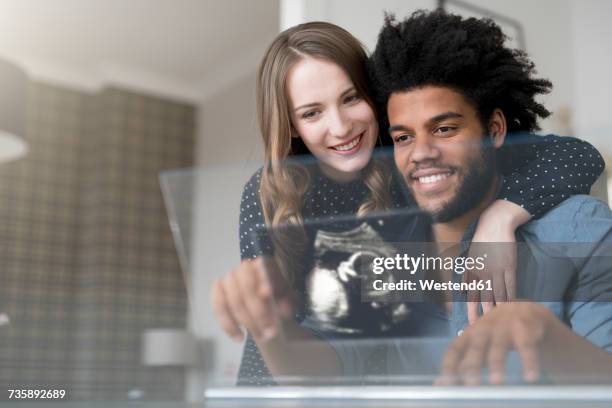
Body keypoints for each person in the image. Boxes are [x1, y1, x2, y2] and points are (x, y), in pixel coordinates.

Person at [210, 21, 606, 386]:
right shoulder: (272, 191)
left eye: (350, 99)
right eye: (312, 113)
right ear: (292, 124)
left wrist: (500, 216)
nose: (341, 126)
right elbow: (306, 336)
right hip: (287, 372)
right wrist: (265, 322)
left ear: (373, 98)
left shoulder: (403, 173)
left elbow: (577, 155)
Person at [367, 9, 612, 385]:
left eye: (445, 129)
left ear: (495, 130)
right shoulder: (380, 246)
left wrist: (546, 334)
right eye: (403, 137)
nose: (420, 153)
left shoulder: (580, 231)